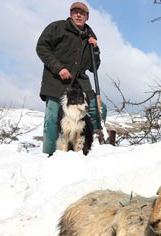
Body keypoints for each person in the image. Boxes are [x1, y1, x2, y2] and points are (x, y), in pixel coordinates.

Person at [36, 2, 106, 156]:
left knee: (98, 109)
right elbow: (41, 47)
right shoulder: (57, 28)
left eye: (82, 13)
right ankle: (49, 154)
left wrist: (95, 49)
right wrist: (58, 67)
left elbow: (94, 68)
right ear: (71, 14)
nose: (79, 15)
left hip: (79, 84)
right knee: (53, 117)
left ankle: (90, 149)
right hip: (56, 82)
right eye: (75, 12)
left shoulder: (90, 37)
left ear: (87, 16)